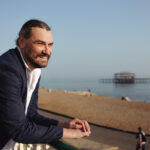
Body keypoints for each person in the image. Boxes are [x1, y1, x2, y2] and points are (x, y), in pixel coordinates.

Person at [0, 19, 91, 149]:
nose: (47, 51)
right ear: (22, 42)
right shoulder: (8, 69)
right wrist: (68, 133)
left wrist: (62, 125)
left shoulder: (34, 71)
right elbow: (19, 130)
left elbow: (30, 115)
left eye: (50, 45)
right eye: (40, 43)